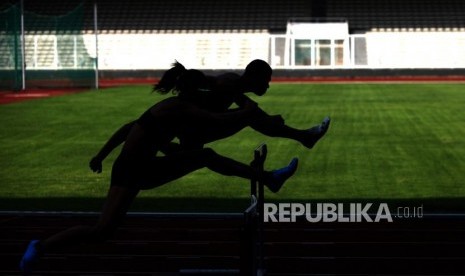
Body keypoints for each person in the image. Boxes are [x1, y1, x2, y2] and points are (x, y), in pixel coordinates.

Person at [19, 69, 299, 275]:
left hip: (133, 167)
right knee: (103, 230)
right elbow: (221, 119)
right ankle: (40, 246)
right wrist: (250, 109)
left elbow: (130, 128)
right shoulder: (181, 108)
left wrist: (101, 155)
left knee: (103, 229)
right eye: (200, 91)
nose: (204, 95)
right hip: (136, 170)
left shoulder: (169, 106)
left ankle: (40, 247)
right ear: (190, 91)